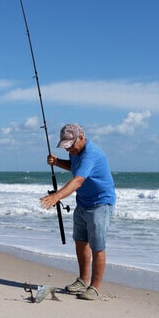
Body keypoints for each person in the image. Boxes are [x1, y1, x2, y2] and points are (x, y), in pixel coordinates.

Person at [40, 124, 116, 300]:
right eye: (66, 146)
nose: (69, 150)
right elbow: (75, 168)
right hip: (83, 202)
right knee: (80, 242)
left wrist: (57, 197)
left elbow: (78, 180)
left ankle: (94, 288)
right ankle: (83, 280)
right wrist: (58, 162)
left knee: (98, 246)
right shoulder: (75, 152)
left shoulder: (91, 154)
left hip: (100, 203)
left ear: (81, 137)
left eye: (71, 145)